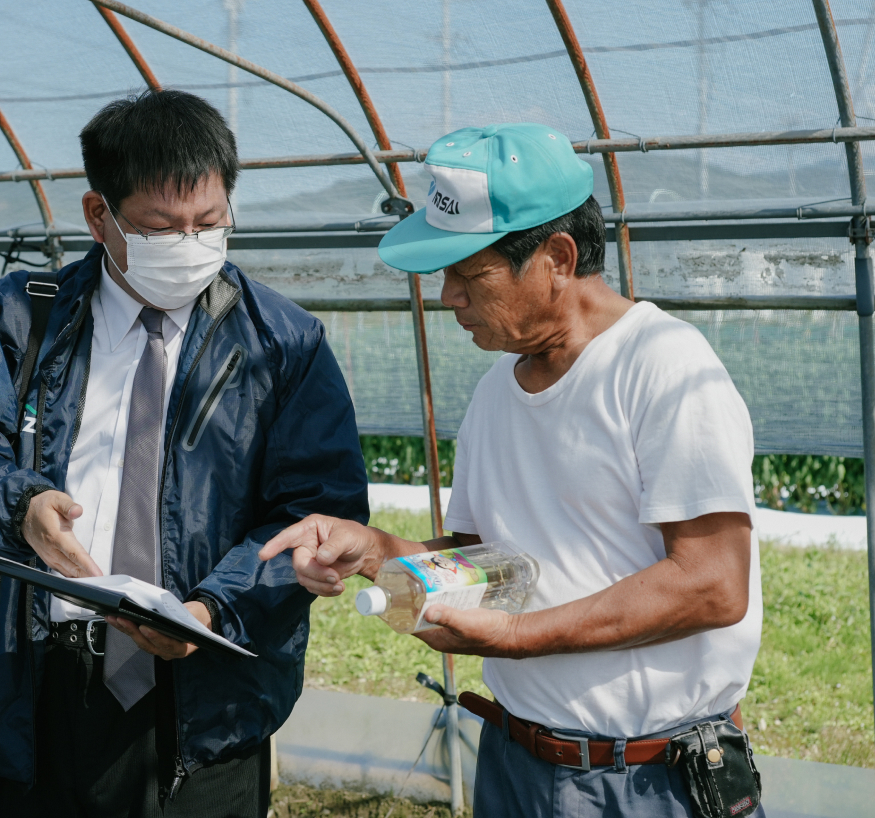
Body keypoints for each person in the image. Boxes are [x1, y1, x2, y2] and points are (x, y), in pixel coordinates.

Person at [260, 123, 764, 818]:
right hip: (517, 763)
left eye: (471, 274)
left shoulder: (664, 368)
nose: (449, 298)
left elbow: (712, 584)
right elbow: (486, 566)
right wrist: (374, 552)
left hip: (647, 779)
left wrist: (520, 638)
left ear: (556, 257)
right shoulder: (499, 391)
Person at [0, 89, 368, 818]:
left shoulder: (284, 344)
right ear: (100, 215)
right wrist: (20, 506)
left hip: (207, 700)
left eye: (210, 223)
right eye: (160, 226)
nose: (190, 245)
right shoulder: (24, 314)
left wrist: (212, 612)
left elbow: (317, 512)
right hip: (41, 685)